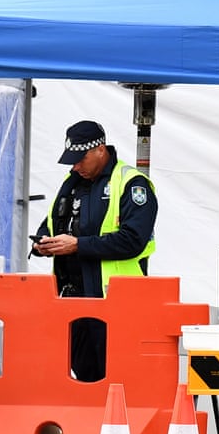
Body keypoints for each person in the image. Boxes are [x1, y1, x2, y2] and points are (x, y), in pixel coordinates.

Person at [32, 119, 158, 381]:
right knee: (83, 377)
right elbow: (52, 222)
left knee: (117, 378)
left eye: (80, 158)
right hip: (72, 299)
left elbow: (132, 240)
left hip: (115, 302)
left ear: (100, 149)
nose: (75, 166)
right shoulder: (72, 182)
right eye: (72, 160)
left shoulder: (132, 183)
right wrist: (44, 242)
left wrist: (77, 245)